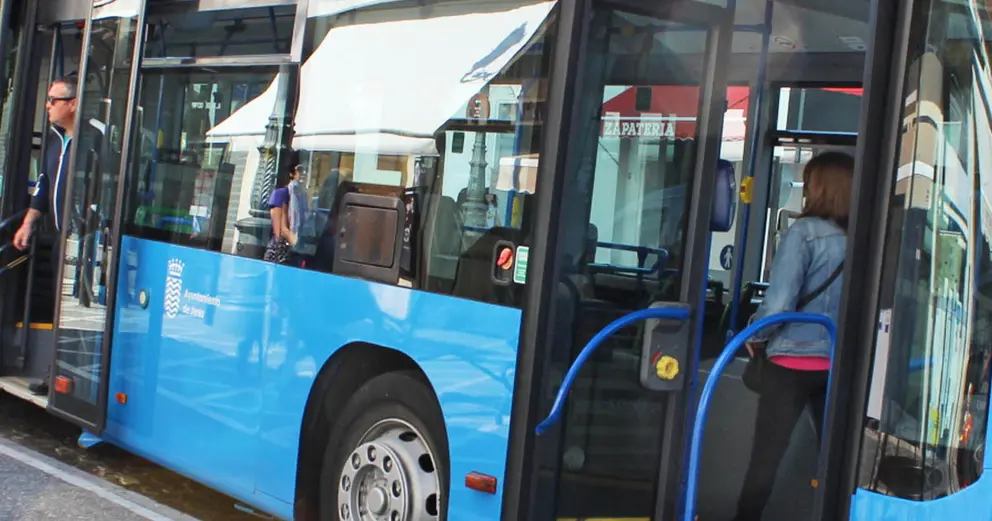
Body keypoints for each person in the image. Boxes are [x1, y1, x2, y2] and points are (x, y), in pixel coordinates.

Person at [733, 151, 854, 521]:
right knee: (836, 459)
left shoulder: (804, 232)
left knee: (765, 458)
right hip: (839, 363)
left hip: (790, 363)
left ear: (818, 187)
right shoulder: (863, 236)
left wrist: (755, 335)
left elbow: (781, 300)